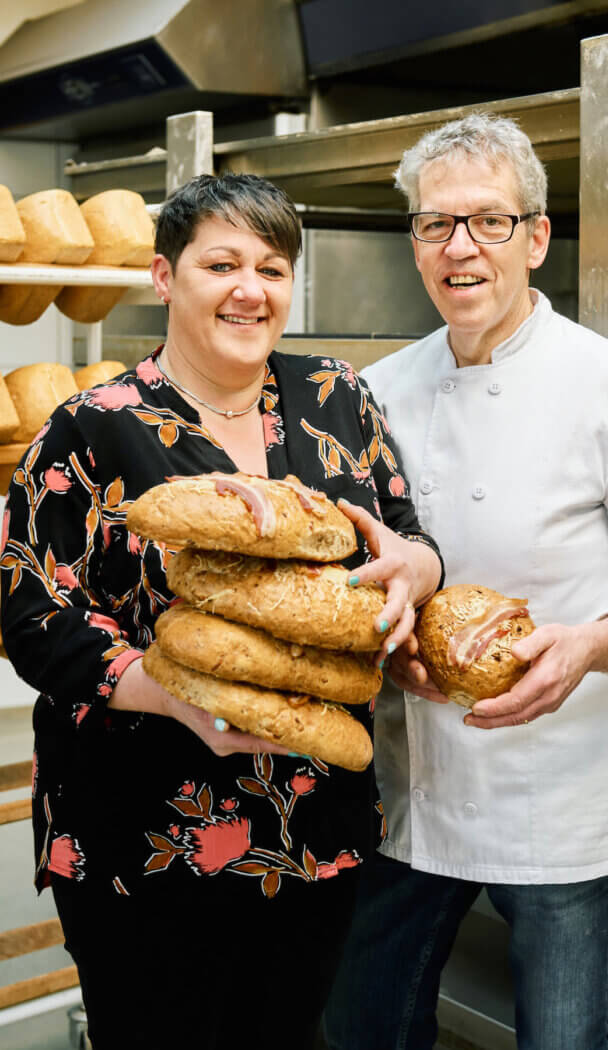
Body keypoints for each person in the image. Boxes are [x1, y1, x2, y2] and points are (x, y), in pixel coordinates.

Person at [0, 173, 442, 1050]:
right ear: (166, 277)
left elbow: (403, 533)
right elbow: (30, 610)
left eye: (273, 268)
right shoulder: (92, 426)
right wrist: (162, 693)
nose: (251, 289)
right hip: (144, 829)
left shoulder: (334, 397)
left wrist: (420, 568)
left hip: (315, 823)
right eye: (223, 264)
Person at [323, 112, 608, 1049]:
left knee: (567, 1040)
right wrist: (390, 640)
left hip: (560, 795)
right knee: (364, 1025)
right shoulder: (377, 391)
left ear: (535, 236)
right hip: (416, 785)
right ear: (413, 242)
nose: (461, 248)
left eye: (488, 221)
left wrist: (584, 647)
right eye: (434, 223)